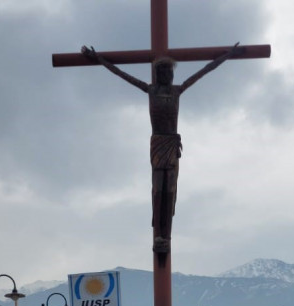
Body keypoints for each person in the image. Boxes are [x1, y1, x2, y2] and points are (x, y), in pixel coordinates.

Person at [80, 43, 244, 258]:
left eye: (169, 71)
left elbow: (204, 71)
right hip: (158, 144)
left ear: (172, 74)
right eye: (162, 71)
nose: (166, 75)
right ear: (157, 74)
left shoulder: (178, 90)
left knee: (170, 191)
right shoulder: (150, 90)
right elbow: (121, 73)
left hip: (172, 144)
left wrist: (228, 55)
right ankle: (158, 234)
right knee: (158, 191)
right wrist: (98, 59)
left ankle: (166, 235)